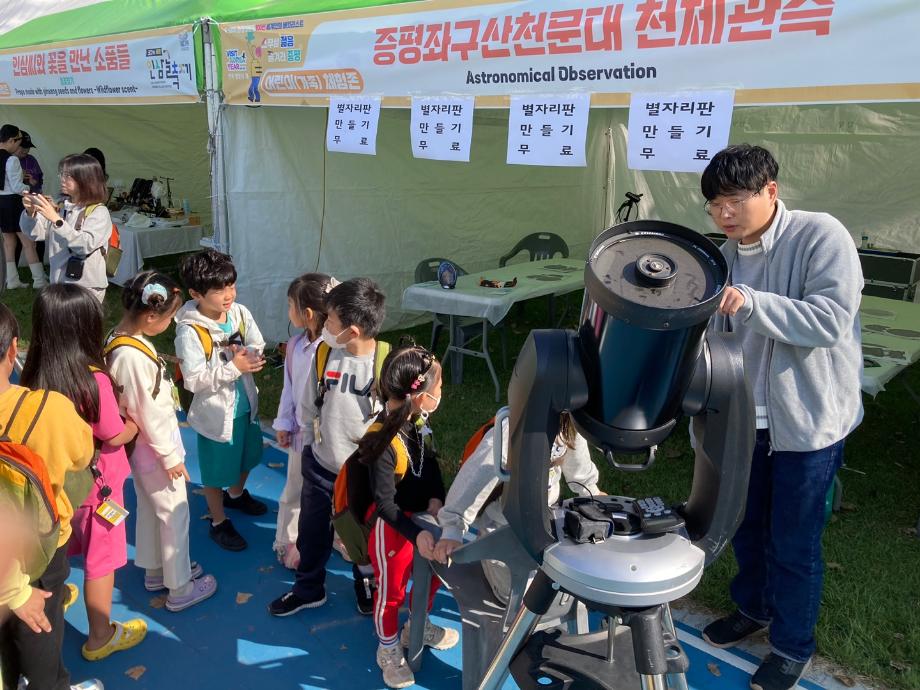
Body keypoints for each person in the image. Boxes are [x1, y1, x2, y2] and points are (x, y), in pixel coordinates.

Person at [696, 144, 863, 690]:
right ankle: (755, 609)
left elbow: (829, 321)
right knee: (746, 526)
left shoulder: (821, 235)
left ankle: (792, 646)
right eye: (715, 204)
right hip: (744, 419)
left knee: (793, 540)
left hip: (808, 422)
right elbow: (711, 338)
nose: (724, 213)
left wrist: (750, 302)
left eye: (734, 200)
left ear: (770, 190)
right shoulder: (720, 254)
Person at [19, 285, 147, 660]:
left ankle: (55, 597)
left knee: (55, 551)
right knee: (101, 561)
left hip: (52, 485)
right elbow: (112, 432)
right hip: (97, 487)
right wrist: (134, 426)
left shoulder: (35, 371)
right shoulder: (94, 380)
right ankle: (100, 635)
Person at [269, 277, 387, 618]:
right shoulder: (324, 352)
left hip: (362, 477)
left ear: (351, 330)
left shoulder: (385, 363)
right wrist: (309, 442)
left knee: (361, 540)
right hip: (320, 465)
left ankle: (367, 585)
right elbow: (308, 403)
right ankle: (309, 588)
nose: (325, 325)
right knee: (312, 532)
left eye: (330, 320)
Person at [0, 302, 103, 690]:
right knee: (40, 625)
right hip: (39, 547)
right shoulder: (50, 408)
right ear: (13, 349)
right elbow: (82, 454)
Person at [347, 345, 457, 689]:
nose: (441, 393)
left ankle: (416, 627)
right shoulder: (383, 440)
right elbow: (384, 505)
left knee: (432, 577)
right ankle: (389, 648)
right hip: (393, 528)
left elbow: (432, 468)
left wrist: (437, 497)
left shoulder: (418, 423)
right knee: (390, 592)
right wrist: (415, 533)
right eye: (437, 388)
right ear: (421, 396)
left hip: (421, 520)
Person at [107, 271, 216, 611]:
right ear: (151, 315)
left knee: (154, 511)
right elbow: (149, 413)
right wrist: (170, 456)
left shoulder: (120, 338)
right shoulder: (132, 357)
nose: (170, 324)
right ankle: (180, 587)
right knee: (175, 514)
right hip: (155, 450)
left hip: (143, 450)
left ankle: (157, 570)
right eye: (169, 317)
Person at [433, 413, 601, 604]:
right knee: (522, 599)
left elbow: (579, 469)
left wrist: (592, 491)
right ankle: (487, 551)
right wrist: (452, 529)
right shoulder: (510, 431)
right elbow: (474, 477)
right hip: (502, 526)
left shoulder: (567, 423)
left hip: (542, 519)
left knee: (571, 586)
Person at [175, 249, 267, 552]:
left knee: (247, 456)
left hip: (245, 406)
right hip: (216, 413)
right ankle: (218, 520)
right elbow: (193, 379)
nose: (228, 294)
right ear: (195, 293)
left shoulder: (239, 312)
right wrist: (232, 368)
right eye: (218, 289)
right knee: (215, 472)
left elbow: (255, 340)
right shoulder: (190, 331)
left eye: (231, 285)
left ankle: (237, 495)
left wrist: (254, 354)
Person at [272, 273, 338, 569]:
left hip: (330, 437)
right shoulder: (296, 347)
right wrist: (284, 423)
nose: (288, 312)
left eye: (290, 306)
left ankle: (338, 536)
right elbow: (289, 386)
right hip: (301, 432)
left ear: (307, 314)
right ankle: (287, 540)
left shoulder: (335, 351)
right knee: (295, 487)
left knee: (335, 490)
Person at [23, 153, 111, 301]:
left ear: (86, 179)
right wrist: (30, 212)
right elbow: (34, 234)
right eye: (62, 174)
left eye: (68, 176)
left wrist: (57, 221)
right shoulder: (62, 205)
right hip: (58, 282)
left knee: (82, 324)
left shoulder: (99, 211)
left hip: (86, 287)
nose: (63, 179)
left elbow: (85, 245)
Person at [0, 124, 45, 290]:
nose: (20, 145)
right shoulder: (12, 160)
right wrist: (29, 190)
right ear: (12, 140)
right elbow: (17, 187)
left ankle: (11, 280)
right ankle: (40, 281)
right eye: (19, 140)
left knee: (8, 242)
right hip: (13, 202)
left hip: (1, 203)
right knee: (28, 243)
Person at [15, 131, 46, 265]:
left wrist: (34, 182)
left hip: (33, 201)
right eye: (23, 147)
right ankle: (13, 268)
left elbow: (40, 180)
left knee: (39, 237)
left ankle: (39, 265)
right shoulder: (9, 160)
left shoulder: (31, 160)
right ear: (14, 144)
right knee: (17, 238)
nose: (26, 150)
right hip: (15, 203)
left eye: (28, 147)